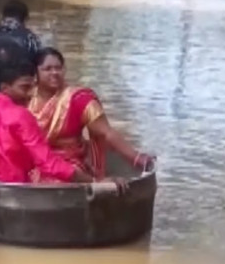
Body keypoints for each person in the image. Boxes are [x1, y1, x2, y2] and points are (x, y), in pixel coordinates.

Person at [0, 38, 94, 184]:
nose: (30, 94)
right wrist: (91, 181)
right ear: (5, 87)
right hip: (15, 190)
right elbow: (49, 164)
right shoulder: (21, 116)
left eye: (31, 87)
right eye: (24, 88)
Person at [28, 47, 155, 183]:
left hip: (69, 164)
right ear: (36, 72)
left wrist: (136, 158)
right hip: (34, 162)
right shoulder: (25, 98)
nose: (54, 73)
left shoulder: (79, 99)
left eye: (58, 68)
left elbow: (106, 133)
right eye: (47, 69)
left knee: (55, 180)